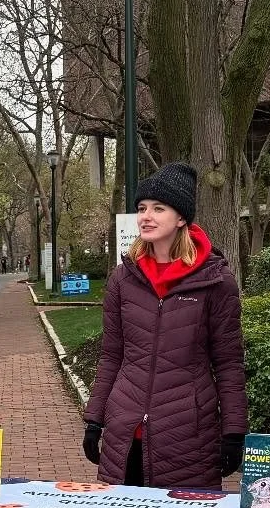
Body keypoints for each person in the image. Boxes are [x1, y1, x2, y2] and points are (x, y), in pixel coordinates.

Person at [82, 162, 247, 490]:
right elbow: (111, 356)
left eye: (159, 208)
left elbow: (228, 363)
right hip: (125, 434)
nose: (146, 216)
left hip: (188, 436)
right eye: (142, 208)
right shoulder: (122, 280)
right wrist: (94, 419)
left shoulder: (215, 281)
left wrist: (233, 432)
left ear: (181, 217)